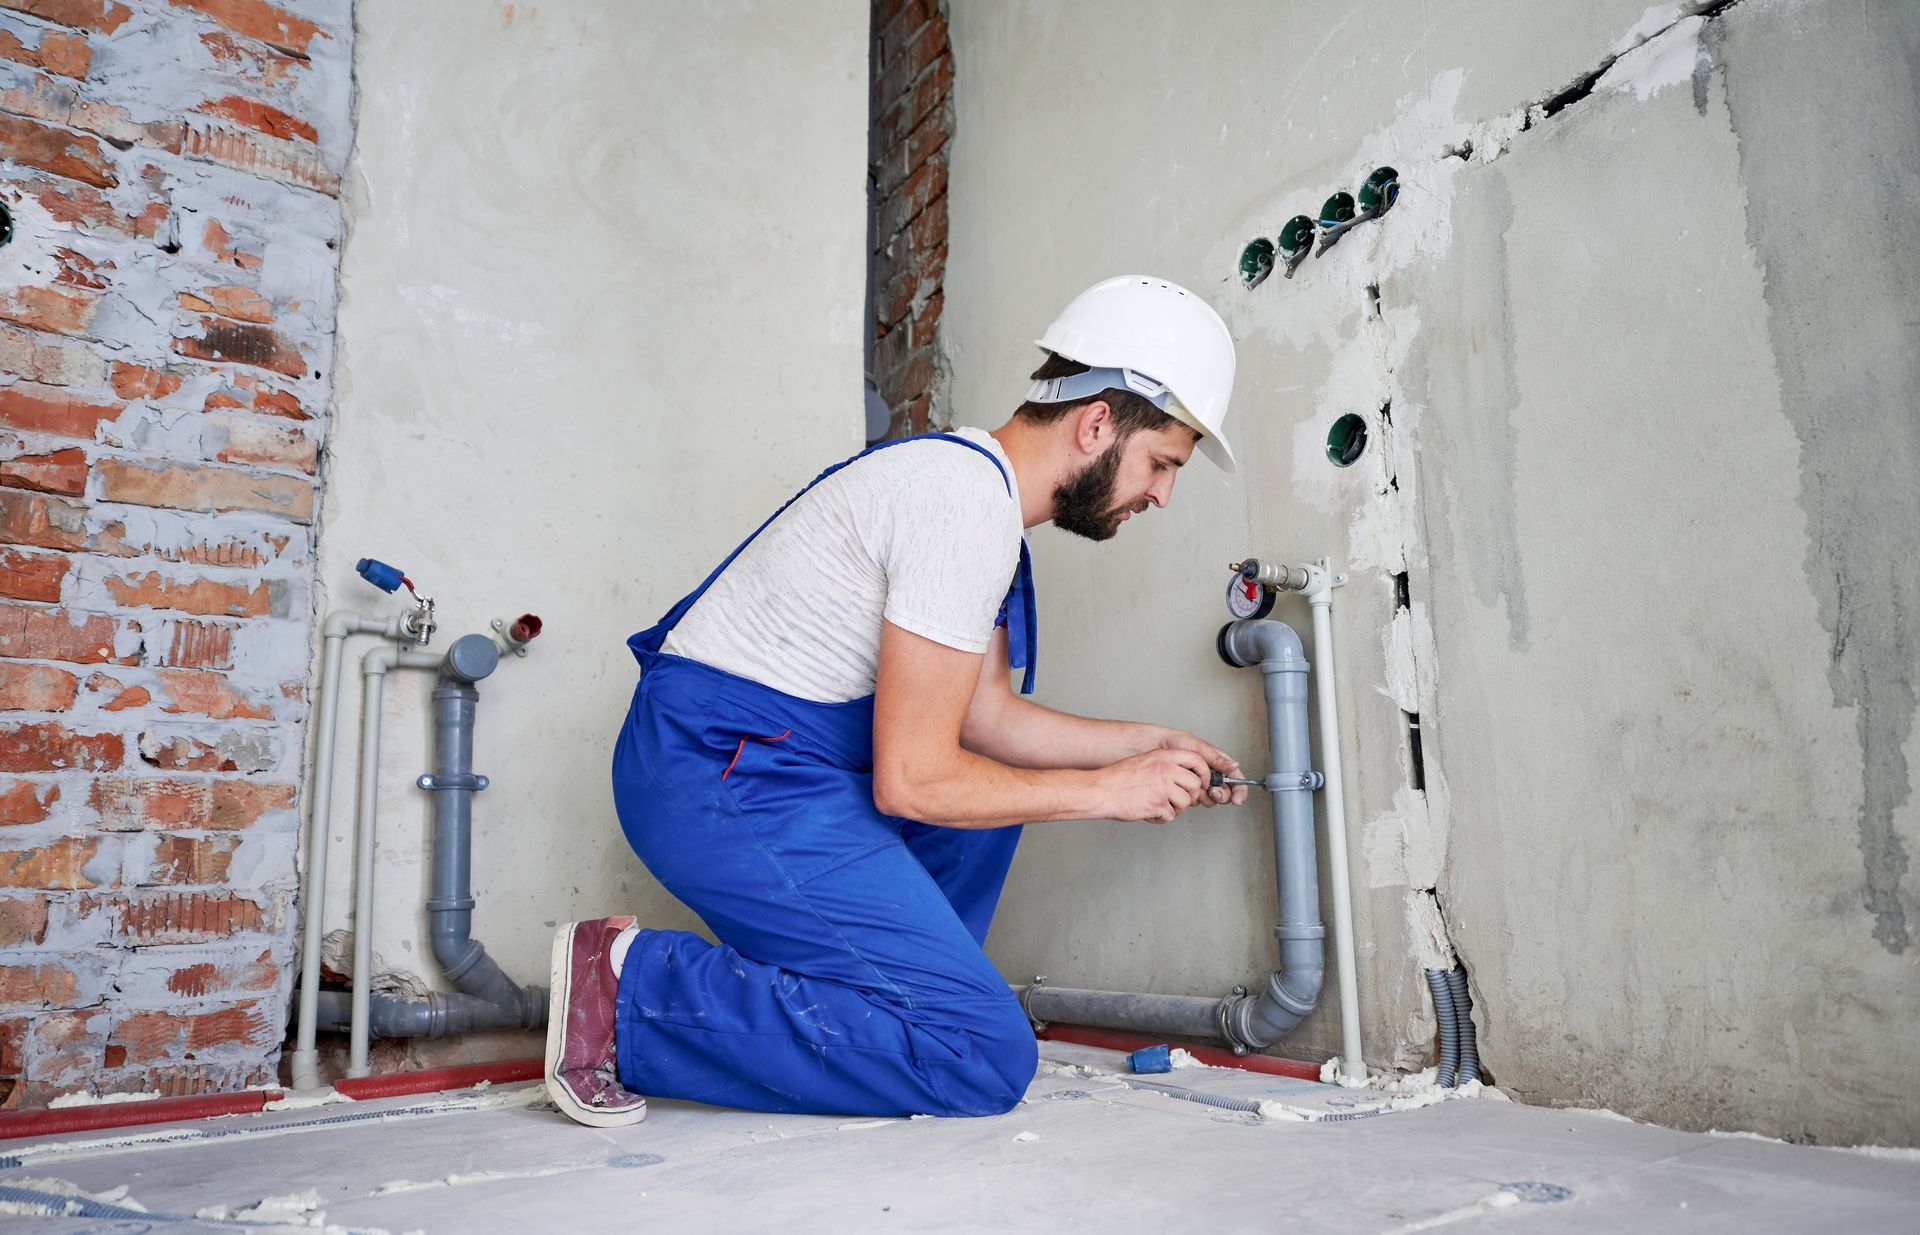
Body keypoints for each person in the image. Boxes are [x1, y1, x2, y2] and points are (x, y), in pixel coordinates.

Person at [544, 276, 1250, 1127]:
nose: (1162, 494)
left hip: (763, 759)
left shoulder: (974, 496)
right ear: (1097, 423)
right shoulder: (961, 509)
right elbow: (914, 780)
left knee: (985, 810)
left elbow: (983, 719)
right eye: (1163, 464)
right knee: (981, 1055)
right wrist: (1108, 792)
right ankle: (626, 989)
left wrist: (1147, 747)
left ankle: (886, 999)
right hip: (713, 770)